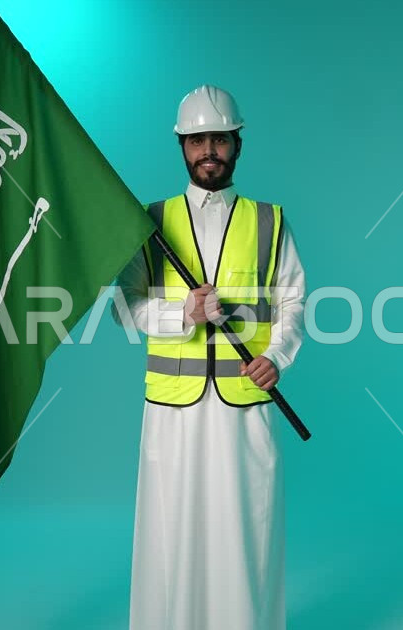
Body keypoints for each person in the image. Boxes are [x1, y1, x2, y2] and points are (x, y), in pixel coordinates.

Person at [113, 85, 307, 630]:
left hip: (245, 403)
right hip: (173, 410)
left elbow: (293, 301)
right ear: (181, 146)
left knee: (246, 532)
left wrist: (277, 356)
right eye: (197, 141)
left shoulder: (269, 221)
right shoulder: (149, 222)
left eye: (219, 139)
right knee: (170, 534)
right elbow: (124, 308)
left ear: (237, 143)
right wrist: (184, 314)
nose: (208, 151)